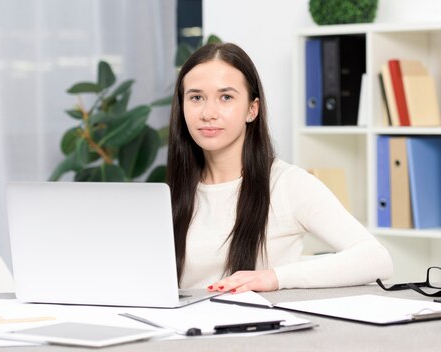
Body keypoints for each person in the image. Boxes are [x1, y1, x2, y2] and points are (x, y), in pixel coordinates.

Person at [166, 42, 393, 294]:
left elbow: (376, 259)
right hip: (179, 330)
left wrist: (274, 277)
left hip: (257, 329)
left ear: (252, 109)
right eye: (196, 97)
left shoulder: (287, 184)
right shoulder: (170, 193)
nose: (208, 113)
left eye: (226, 97)